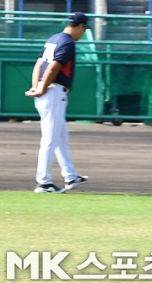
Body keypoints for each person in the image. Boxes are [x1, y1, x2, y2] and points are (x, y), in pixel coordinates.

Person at [25, 12, 89, 193]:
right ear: (81, 27)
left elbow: (39, 64)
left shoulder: (53, 38)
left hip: (47, 92)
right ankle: (44, 182)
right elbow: (54, 66)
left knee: (60, 138)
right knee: (50, 139)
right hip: (53, 93)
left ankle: (70, 176)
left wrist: (36, 86)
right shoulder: (68, 42)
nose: (83, 34)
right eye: (84, 30)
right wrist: (42, 87)